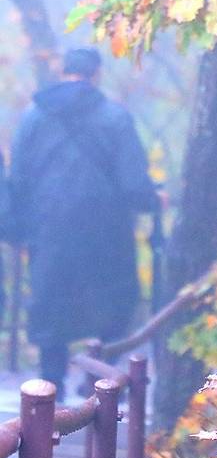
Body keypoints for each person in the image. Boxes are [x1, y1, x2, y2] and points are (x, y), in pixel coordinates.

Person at [10, 47, 158, 393]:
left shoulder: (34, 115)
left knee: (50, 297)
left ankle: (50, 381)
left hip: (48, 228)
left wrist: (19, 226)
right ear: (97, 73)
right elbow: (133, 182)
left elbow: (18, 176)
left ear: (64, 71)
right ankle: (96, 380)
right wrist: (152, 201)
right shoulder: (115, 117)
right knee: (113, 298)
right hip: (107, 231)